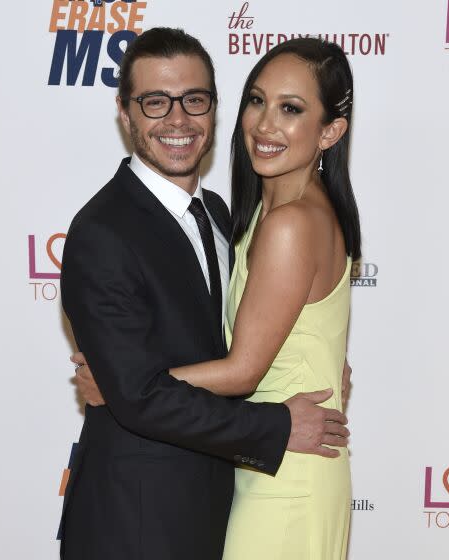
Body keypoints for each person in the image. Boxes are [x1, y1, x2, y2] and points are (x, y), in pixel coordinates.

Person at [62, 28, 351, 560]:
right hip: (138, 522)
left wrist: (125, 384)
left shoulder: (223, 214)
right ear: (126, 113)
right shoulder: (101, 232)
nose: (177, 120)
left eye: (194, 100)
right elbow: (151, 397)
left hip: (224, 500)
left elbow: (252, 347)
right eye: (155, 102)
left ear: (214, 109)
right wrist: (278, 422)